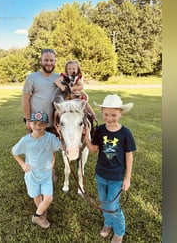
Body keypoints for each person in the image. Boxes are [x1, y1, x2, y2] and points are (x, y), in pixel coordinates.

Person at [84, 94, 136, 243]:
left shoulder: (125, 133)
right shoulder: (100, 130)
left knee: (113, 205)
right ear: (102, 113)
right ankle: (108, 223)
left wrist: (127, 178)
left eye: (114, 115)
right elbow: (94, 150)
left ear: (121, 113)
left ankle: (119, 231)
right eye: (106, 114)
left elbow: (129, 156)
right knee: (104, 202)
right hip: (101, 174)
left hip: (117, 177)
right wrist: (86, 138)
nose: (109, 118)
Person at [12, 111, 62, 229]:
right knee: (37, 196)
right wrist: (23, 164)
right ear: (29, 124)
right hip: (32, 175)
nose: (38, 127)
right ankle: (41, 213)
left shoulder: (50, 138)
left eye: (41, 124)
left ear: (46, 125)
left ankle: (37, 216)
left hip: (46, 174)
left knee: (48, 198)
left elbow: (60, 147)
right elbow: (14, 152)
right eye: (34, 123)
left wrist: (60, 133)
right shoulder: (25, 140)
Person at [22, 48, 60, 133]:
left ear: (55, 61)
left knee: (53, 146)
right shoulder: (32, 78)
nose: (49, 63)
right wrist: (28, 119)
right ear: (40, 61)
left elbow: (72, 90)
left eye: (51, 60)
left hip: (53, 125)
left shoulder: (59, 78)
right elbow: (25, 99)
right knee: (36, 145)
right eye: (46, 60)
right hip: (36, 123)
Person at [52, 60, 97, 129]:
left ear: (77, 70)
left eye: (73, 69)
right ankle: (55, 124)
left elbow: (81, 86)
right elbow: (56, 81)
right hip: (66, 97)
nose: (71, 70)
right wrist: (61, 86)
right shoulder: (64, 76)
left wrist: (73, 88)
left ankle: (93, 116)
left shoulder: (76, 78)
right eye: (69, 69)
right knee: (57, 110)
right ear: (66, 70)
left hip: (75, 97)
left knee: (85, 104)